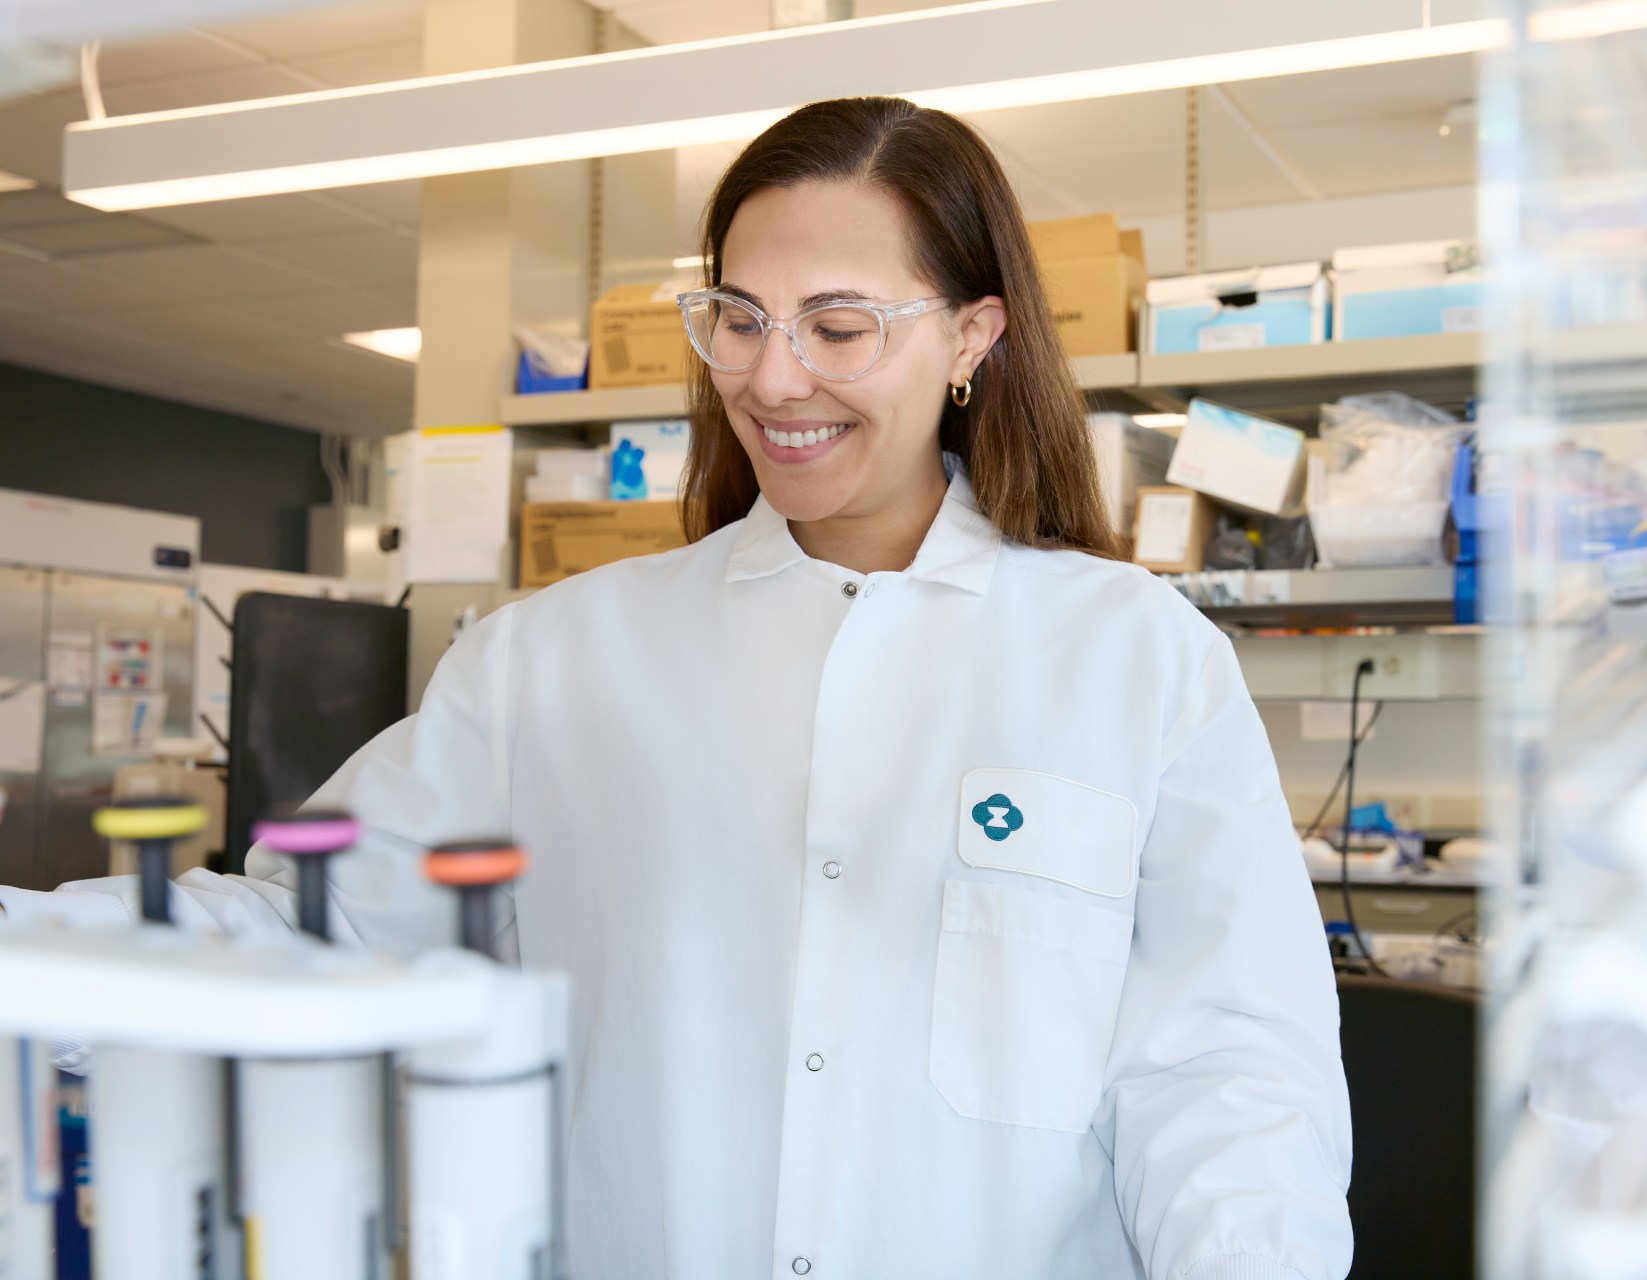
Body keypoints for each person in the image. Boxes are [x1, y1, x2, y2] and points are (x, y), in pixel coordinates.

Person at [0, 97, 1352, 1279]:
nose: (774, 378)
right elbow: (305, 927)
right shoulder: (555, 662)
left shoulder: (1133, 658)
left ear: (971, 338)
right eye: (741, 320)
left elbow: (1228, 1082)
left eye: (838, 325)